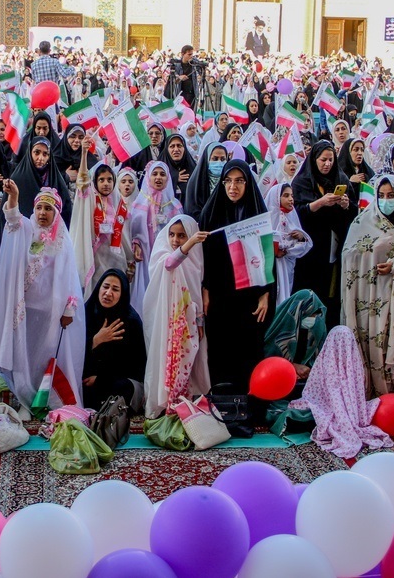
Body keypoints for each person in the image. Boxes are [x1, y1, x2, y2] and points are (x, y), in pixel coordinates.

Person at [0, 182, 85, 412]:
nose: (42, 213)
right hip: (26, 309)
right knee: (24, 353)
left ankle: (46, 399)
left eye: (48, 209)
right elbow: (12, 219)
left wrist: (69, 308)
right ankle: (24, 398)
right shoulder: (27, 230)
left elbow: (71, 275)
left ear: (56, 213)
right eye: (39, 208)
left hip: (52, 310)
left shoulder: (61, 239)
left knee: (46, 354)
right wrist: (15, 196)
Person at [340, 174, 394, 396]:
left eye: (391, 196)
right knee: (369, 340)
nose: (385, 200)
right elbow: (349, 256)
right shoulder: (362, 223)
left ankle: (392, 393)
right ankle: (367, 389)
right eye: (381, 195)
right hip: (367, 297)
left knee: (391, 342)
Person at [199, 160, 274, 389]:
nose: (233, 187)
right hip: (220, 293)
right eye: (228, 181)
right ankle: (222, 402)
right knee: (220, 345)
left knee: (248, 346)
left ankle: (248, 401)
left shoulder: (257, 213)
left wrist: (265, 293)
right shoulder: (211, 213)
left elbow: (265, 255)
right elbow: (205, 257)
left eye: (239, 181)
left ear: (248, 183)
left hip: (249, 293)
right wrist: (205, 289)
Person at [289, 326, 393, 459]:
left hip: (327, 408)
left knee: (302, 413)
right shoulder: (354, 365)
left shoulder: (332, 361)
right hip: (342, 408)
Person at [142, 215, 210, 418]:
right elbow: (170, 264)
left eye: (182, 235)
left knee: (189, 358)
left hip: (189, 319)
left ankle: (183, 404)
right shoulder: (163, 254)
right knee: (168, 360)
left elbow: (196, 291)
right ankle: (166, 403)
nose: (175, 240)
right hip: (166, 321)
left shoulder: (196, 260)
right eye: (172, 234)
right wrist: (189, 243)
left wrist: (199, 320)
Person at [291, 141, 357, 326]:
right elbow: (294, 213)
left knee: (331, 293)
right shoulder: (302, 181)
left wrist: (345, 205)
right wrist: (319, 203)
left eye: (330, 160)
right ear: (314, 160)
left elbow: (354, 212)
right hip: (310, 251)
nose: (327, 164)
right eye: (323, 160)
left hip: (334, 247)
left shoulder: (341, 179)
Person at [72, 146, 133, 299]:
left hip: (115, 257)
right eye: (101, 180)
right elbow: (82, 181)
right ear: (95, 182)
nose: (106, 184)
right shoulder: (90, 199)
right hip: (96, 257)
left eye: (109, 180)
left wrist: (130, 258)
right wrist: (84, 154)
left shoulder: (119, 202)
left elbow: (124, 234)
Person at [83, 269, 146, 412]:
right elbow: (73, 354)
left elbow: (135, 365)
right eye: (105, 287)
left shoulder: (130, 321)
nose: (108, 293)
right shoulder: (86, 313)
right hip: (88, 380)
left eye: (115, 289)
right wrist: (95, 340)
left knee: (122, 388)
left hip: (117, 381)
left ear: (122, 294)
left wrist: (101, 379)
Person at [129, 160, 183, 318]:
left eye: (162, 174)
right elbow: (133, 231)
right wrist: (136, 243)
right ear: (148, 178)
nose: (158, 178)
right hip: (146, 256)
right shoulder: (140, 203)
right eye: (154, 174)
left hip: (167, 257)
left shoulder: (174, 205)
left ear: (168, 179)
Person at [265, 182, 312, 303]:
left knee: (285, 295)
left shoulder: (292, 216)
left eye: (292, 196)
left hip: (287, 266)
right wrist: (275, 251)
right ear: (276, 198)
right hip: (271, 267)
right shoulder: (266, 219)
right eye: (286, 196)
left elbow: (305, 244)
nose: (291, 199)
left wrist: (300, 238)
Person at [10, 136, 73, 226]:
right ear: (29, 153)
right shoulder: (18, 178)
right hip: (24, 232)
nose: (40, 158)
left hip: (50, 235)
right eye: (37, 152)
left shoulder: (55, 179)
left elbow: (66, 212)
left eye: (45, 154)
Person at [183, 143, 228, 217]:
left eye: (223, 159)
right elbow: (192, 210)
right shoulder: (195, 183)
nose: (219, 162)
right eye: (215, 159)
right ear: (207, 159)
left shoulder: (230, 182)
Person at [164, 132, 196, 200]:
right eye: (172, 146)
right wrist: (173, 178)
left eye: (179, 146)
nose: (176, 150)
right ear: (167, 149)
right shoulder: (160, 168)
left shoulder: (194, 169)